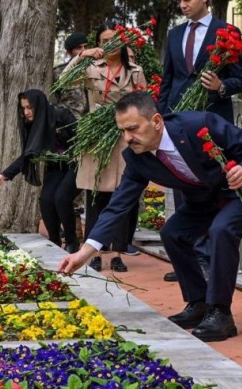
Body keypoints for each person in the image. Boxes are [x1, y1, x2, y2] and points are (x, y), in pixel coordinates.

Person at [59, 91, 242, 342]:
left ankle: (221, 313)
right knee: (173, 233)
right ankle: (199, 304)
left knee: (222, 230)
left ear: (156, 121)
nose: (127, 138)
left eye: (132, 129)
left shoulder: (198, 124)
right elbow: (118, 206)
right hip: (206, 198)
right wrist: (86, 252)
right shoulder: (137, 159)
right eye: (122, 131)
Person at [158, 0, 242, 281]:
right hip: (177, 122)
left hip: (211, 122)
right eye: (180, 0)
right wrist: (161, 117)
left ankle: (208, 257)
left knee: (212, 186)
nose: (183, 4)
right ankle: (188, 258)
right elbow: (168, 80)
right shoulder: (174, 34)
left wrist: (221, 87)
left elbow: (239, 80)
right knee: (183, 183)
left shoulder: (227, 31)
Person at [63, 21, 147, 272]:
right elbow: (65, 80)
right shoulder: (91, 67)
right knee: (96, 198)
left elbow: (144, 101)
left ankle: (117, 254)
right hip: (98, 138)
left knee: (122, 196)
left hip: (125, 136)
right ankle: (95, 252)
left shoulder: (134, 70)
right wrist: (82, 56)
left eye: (113, 39)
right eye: (103, 41)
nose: (108, 44)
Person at [0, 89, 80, 253]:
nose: (26, 112)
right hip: (54, 167)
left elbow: (81, 139)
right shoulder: (34, 126)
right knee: (45, 200)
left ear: (39, 105)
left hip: (76, 166)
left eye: (30, 107)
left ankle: (72, 241)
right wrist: (4, 175)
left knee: (61, 198)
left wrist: (73, 154)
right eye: (23, 108)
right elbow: (28, 155)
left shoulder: (62, 115)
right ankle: (55, 239)